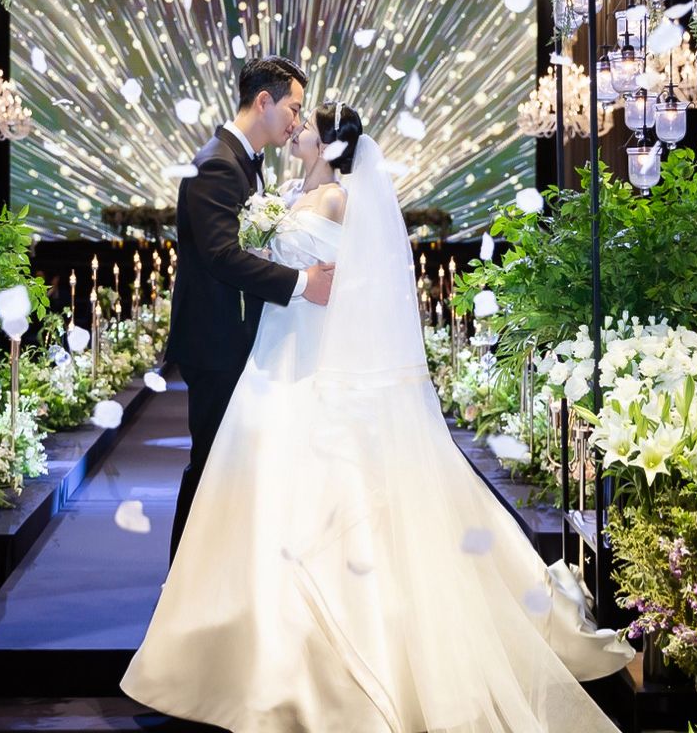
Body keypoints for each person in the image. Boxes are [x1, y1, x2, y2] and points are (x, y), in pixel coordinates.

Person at [123, 101, 634, 732]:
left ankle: (314, 661)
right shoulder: (286, 193)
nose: (295, 128)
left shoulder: (339, 201)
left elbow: (354, 285)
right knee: (252, 488)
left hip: (310, 356)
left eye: (306, 124)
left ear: (329, 146)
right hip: (273, 355)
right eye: (295, 116)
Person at [164, 56, 335, 563]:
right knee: (210, 467)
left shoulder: (243, 162)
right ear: (264, 101)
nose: (296, 122)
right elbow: (221, 256)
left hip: (236, 339)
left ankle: (212, 574)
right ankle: (184, 580)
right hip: (216, 342)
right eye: (294, 108)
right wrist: (302, 282)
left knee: (229, 468)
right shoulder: (219, 163)